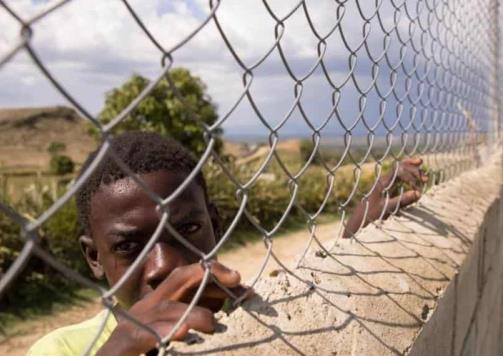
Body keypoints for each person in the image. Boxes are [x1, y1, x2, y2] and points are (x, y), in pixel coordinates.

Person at [27, 131, 424, 355]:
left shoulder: (251, 317)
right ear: (94, 257)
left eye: (188, 231)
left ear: (215, 227)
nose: (164, 265)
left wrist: (353, 242)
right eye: (130, 247)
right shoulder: (60, 349)